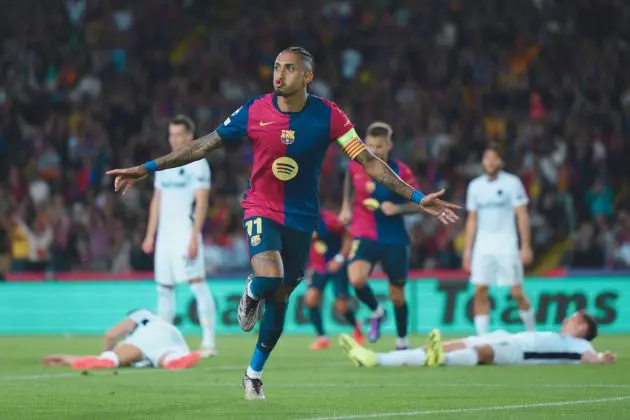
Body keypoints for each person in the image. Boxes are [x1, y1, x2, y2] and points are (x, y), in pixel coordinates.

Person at [107, 46, 460, 400]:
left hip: (303, 219)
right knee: (269, 278)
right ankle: (250, 292)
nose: (279, 74)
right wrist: (146, 168)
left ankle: (253, 373)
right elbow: (202, 145)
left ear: (307, 76)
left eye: (289, 68)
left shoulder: (329, 116)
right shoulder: (254, 109)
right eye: (276, 67)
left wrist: (416, 197)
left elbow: (368, 161)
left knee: (281, 297)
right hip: (261, 208)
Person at [339, 122, 420, 350]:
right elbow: (348, 181)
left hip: (394, 238)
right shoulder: (356, 166)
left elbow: (419, 203)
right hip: (364, 234)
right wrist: (346, 206)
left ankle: (402, 341)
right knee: (356, 278)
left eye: (379, 146)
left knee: (397, 295)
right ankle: (376, 311)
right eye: (371, 145)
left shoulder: (401, 171)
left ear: (389, 145)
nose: (374, 151)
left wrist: (398, 209)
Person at [141, 115, 217, 357]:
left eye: (178, 135)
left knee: (197, 284)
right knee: (164, 288)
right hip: (165, 238)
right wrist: (150, 234)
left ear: (189, 136)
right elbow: (157, 201)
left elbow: (202, 203)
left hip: (186, 234)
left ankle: (209, 342)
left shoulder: (198, 164)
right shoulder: (164, 164)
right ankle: (165, 342)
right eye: (170, 134)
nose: (173, 139)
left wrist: (195, 236)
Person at [339, 311, 616, 367]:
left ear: (582, 328)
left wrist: (603, 358)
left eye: (574, 318)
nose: (567, 319)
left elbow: (592, 358)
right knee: (456, 343)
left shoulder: (581, 345)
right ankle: (375, 358)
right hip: (510, 338)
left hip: (522, 353)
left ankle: (443, 359)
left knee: (483, 351)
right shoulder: (561, 335)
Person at [463, 144, 535, 335]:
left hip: (507, 243)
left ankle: (531, 332)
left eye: (494, 158)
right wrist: (467, 250)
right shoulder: (475, 186)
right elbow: (472, 219)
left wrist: (525, 245)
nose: (490, 162)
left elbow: (522, 215)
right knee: (480, 291)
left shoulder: (512, 183)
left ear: (501, 161)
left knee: (516, 292)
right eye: (487, 158)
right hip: (483, 245)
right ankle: (482, 338)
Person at [43, 309, 201, 370]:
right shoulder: (157, 319)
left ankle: (106, 360)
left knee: (112, 359)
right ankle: (173, 361)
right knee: (165, 356)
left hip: (148, 335)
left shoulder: (140, 316)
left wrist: (105, 354)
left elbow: (110, 334)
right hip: (173, 335)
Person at [305, 209, 364, 350]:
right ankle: (322, 338)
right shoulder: (300, 220)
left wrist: (339, 259)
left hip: (338, 266)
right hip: (319, 267)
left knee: (341, 306)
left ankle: (356, 327)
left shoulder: (329, 220)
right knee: (311, 299)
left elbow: (348, 237)